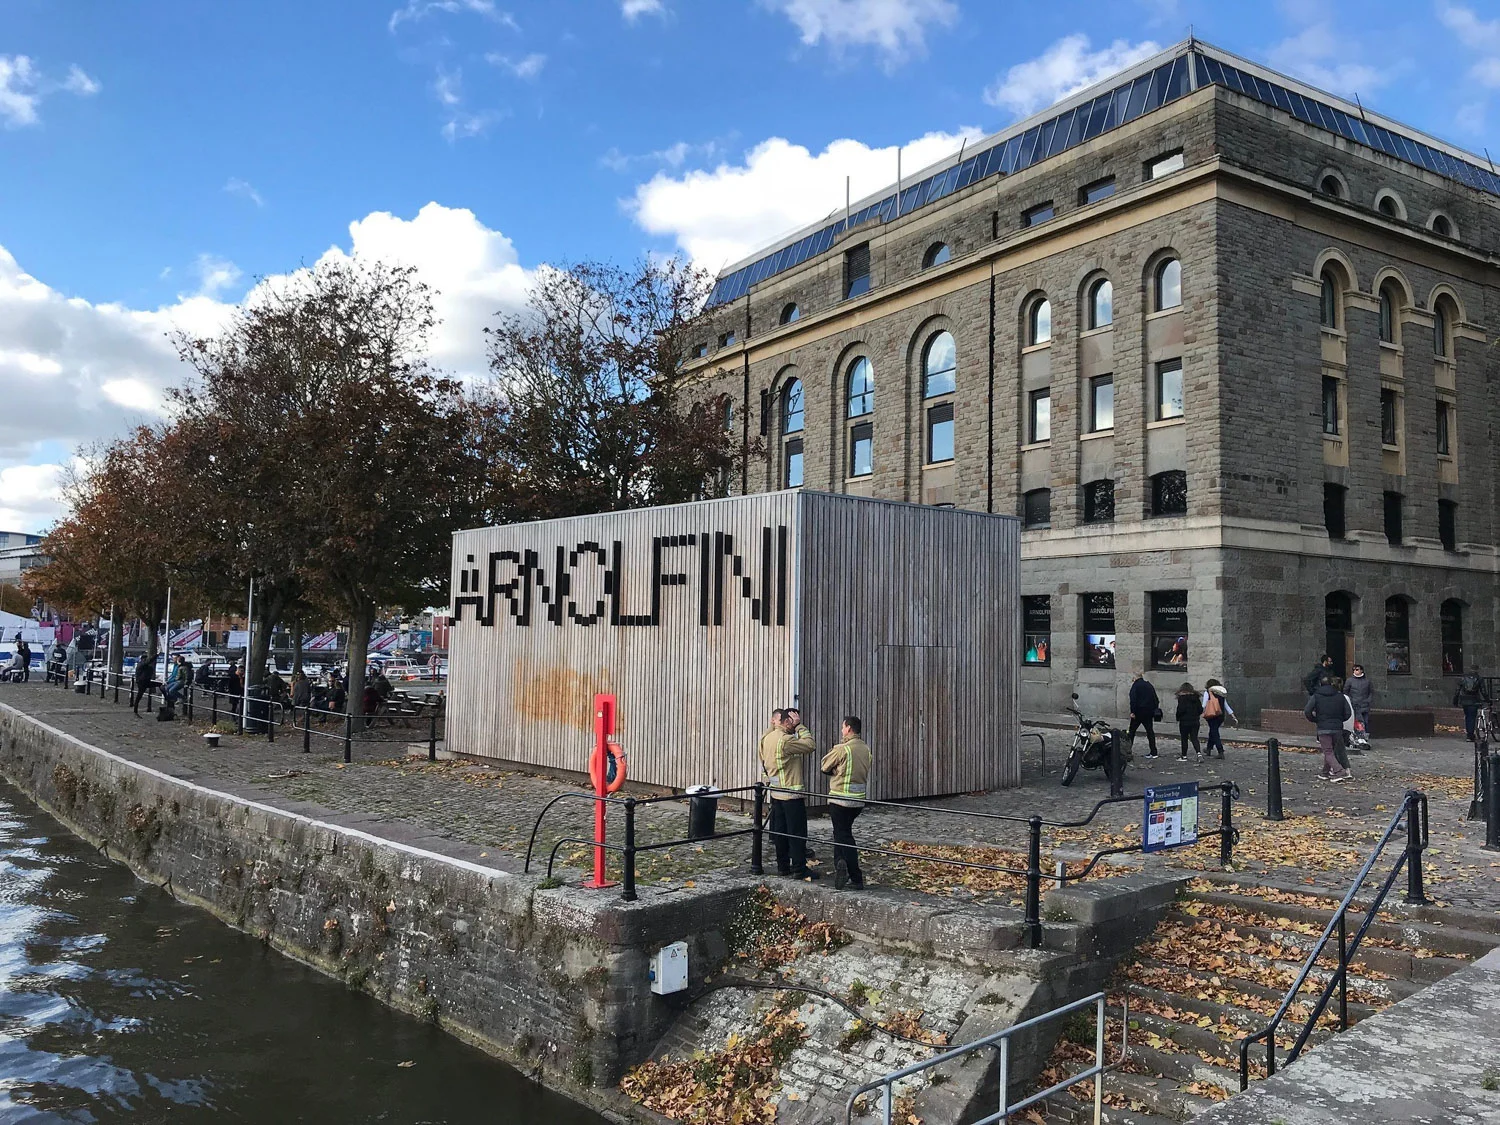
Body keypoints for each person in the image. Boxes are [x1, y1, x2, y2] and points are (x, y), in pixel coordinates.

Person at [758, 707, 818, 879]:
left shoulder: (768, 738)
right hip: (791, 794)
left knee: (780, 834)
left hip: (776, 793)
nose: (793, 726)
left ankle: (782, 866)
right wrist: (800, 726)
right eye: (792, 722)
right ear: (786, 722)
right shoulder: (785, 740)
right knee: (796, 833)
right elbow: (810, 745)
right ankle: (799, 868)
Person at [820, 715, 872, 890]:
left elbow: (824, 766)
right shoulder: (866, 749)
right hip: (858, 801)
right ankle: (839, 864)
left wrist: (835, 769)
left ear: (848, 728)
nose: (842, 730)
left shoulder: (843, 749)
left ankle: (855, 875)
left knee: (844, 837)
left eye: (843, 727)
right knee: (841, 833)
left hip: (840, 799)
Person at [1305, 674, 1353, 781]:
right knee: (1331, 750)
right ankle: (1325, 773)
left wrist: (1315, 719)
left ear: (1320, 684)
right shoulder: (1340, 696)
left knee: (1328, 751)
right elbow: (1348, 713)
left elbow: (1307, 711)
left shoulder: (1316, 696)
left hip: (1323, 727)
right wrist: (1340, 720)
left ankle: (1339, 771)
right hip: (1337, 728)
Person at [1200, 678, 1237, 760]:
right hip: (1220, 715)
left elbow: (1204, 704)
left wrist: (1199, 712)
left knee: (1214, 732)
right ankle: (1208, 749)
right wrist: (1232, 715)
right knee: (1213, 731)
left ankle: (1220, 751)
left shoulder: (1208, 692)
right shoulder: (1221, 693)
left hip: (1211, 715)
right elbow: (1225, 705)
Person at [1127, 672, 1161, 759]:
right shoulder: (1149, 685)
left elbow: (1133, 700)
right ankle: (1154, 752)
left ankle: (1127, 751)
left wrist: (1133, 712)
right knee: (1150, 732)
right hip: (1148, 712)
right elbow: (1156, 699)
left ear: (1135, 678)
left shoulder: (1135, 686)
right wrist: (1154, 709)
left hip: (1138, 712)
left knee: (1131, 732)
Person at [1454, 668, 1490, 743]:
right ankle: (1470, 735)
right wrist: (1487, 700)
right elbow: (1483, 691)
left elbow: (1457, 691)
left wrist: (1455, 701)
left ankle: (1469, 734)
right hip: (1474, 700)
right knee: (1472, 717)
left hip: (1464, 700)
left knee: (1468, 717)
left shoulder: (1463, 678)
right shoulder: (1479, 678)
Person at [1175, 682, 1203, 763]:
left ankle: (1184, 756)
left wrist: (1178, 717)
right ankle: (1199, 754)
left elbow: (1180, 710)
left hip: (1184, 722)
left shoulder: (1182, 699)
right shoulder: (1196, 698)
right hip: (1195, 721)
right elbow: (1200, 710)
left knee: (1184, 738)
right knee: (1194, 737)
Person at [1346, 664, 1373, 743]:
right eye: (1354, 670)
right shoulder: (1350, 681)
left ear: (1361, 670)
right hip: (1355, 705)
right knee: (1357, 722)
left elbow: (1371, 692)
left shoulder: (1367, 681)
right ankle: (1358, 737)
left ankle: (1365, 737)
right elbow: (1346, 691)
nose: (1355, 671)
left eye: (1357, 669)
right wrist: (1351, 701)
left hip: (1365, 705)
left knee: (1366, 722)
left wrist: (1368, 700)